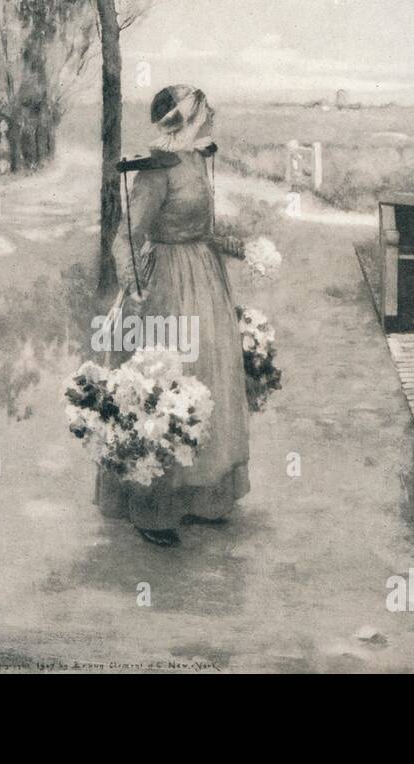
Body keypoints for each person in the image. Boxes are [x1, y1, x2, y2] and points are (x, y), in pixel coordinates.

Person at [95, 85, 251, 548]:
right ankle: (154, 507)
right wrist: (133, 287)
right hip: (164, 285)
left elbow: (203, 229)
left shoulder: (200, 159)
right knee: (166, 385)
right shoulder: (157, 169)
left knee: (213, 379)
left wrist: (243, 250)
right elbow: (124, 236)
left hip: (206, 280)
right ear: (185, 119)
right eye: (205, 108)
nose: (213, 113)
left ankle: (201, 499)